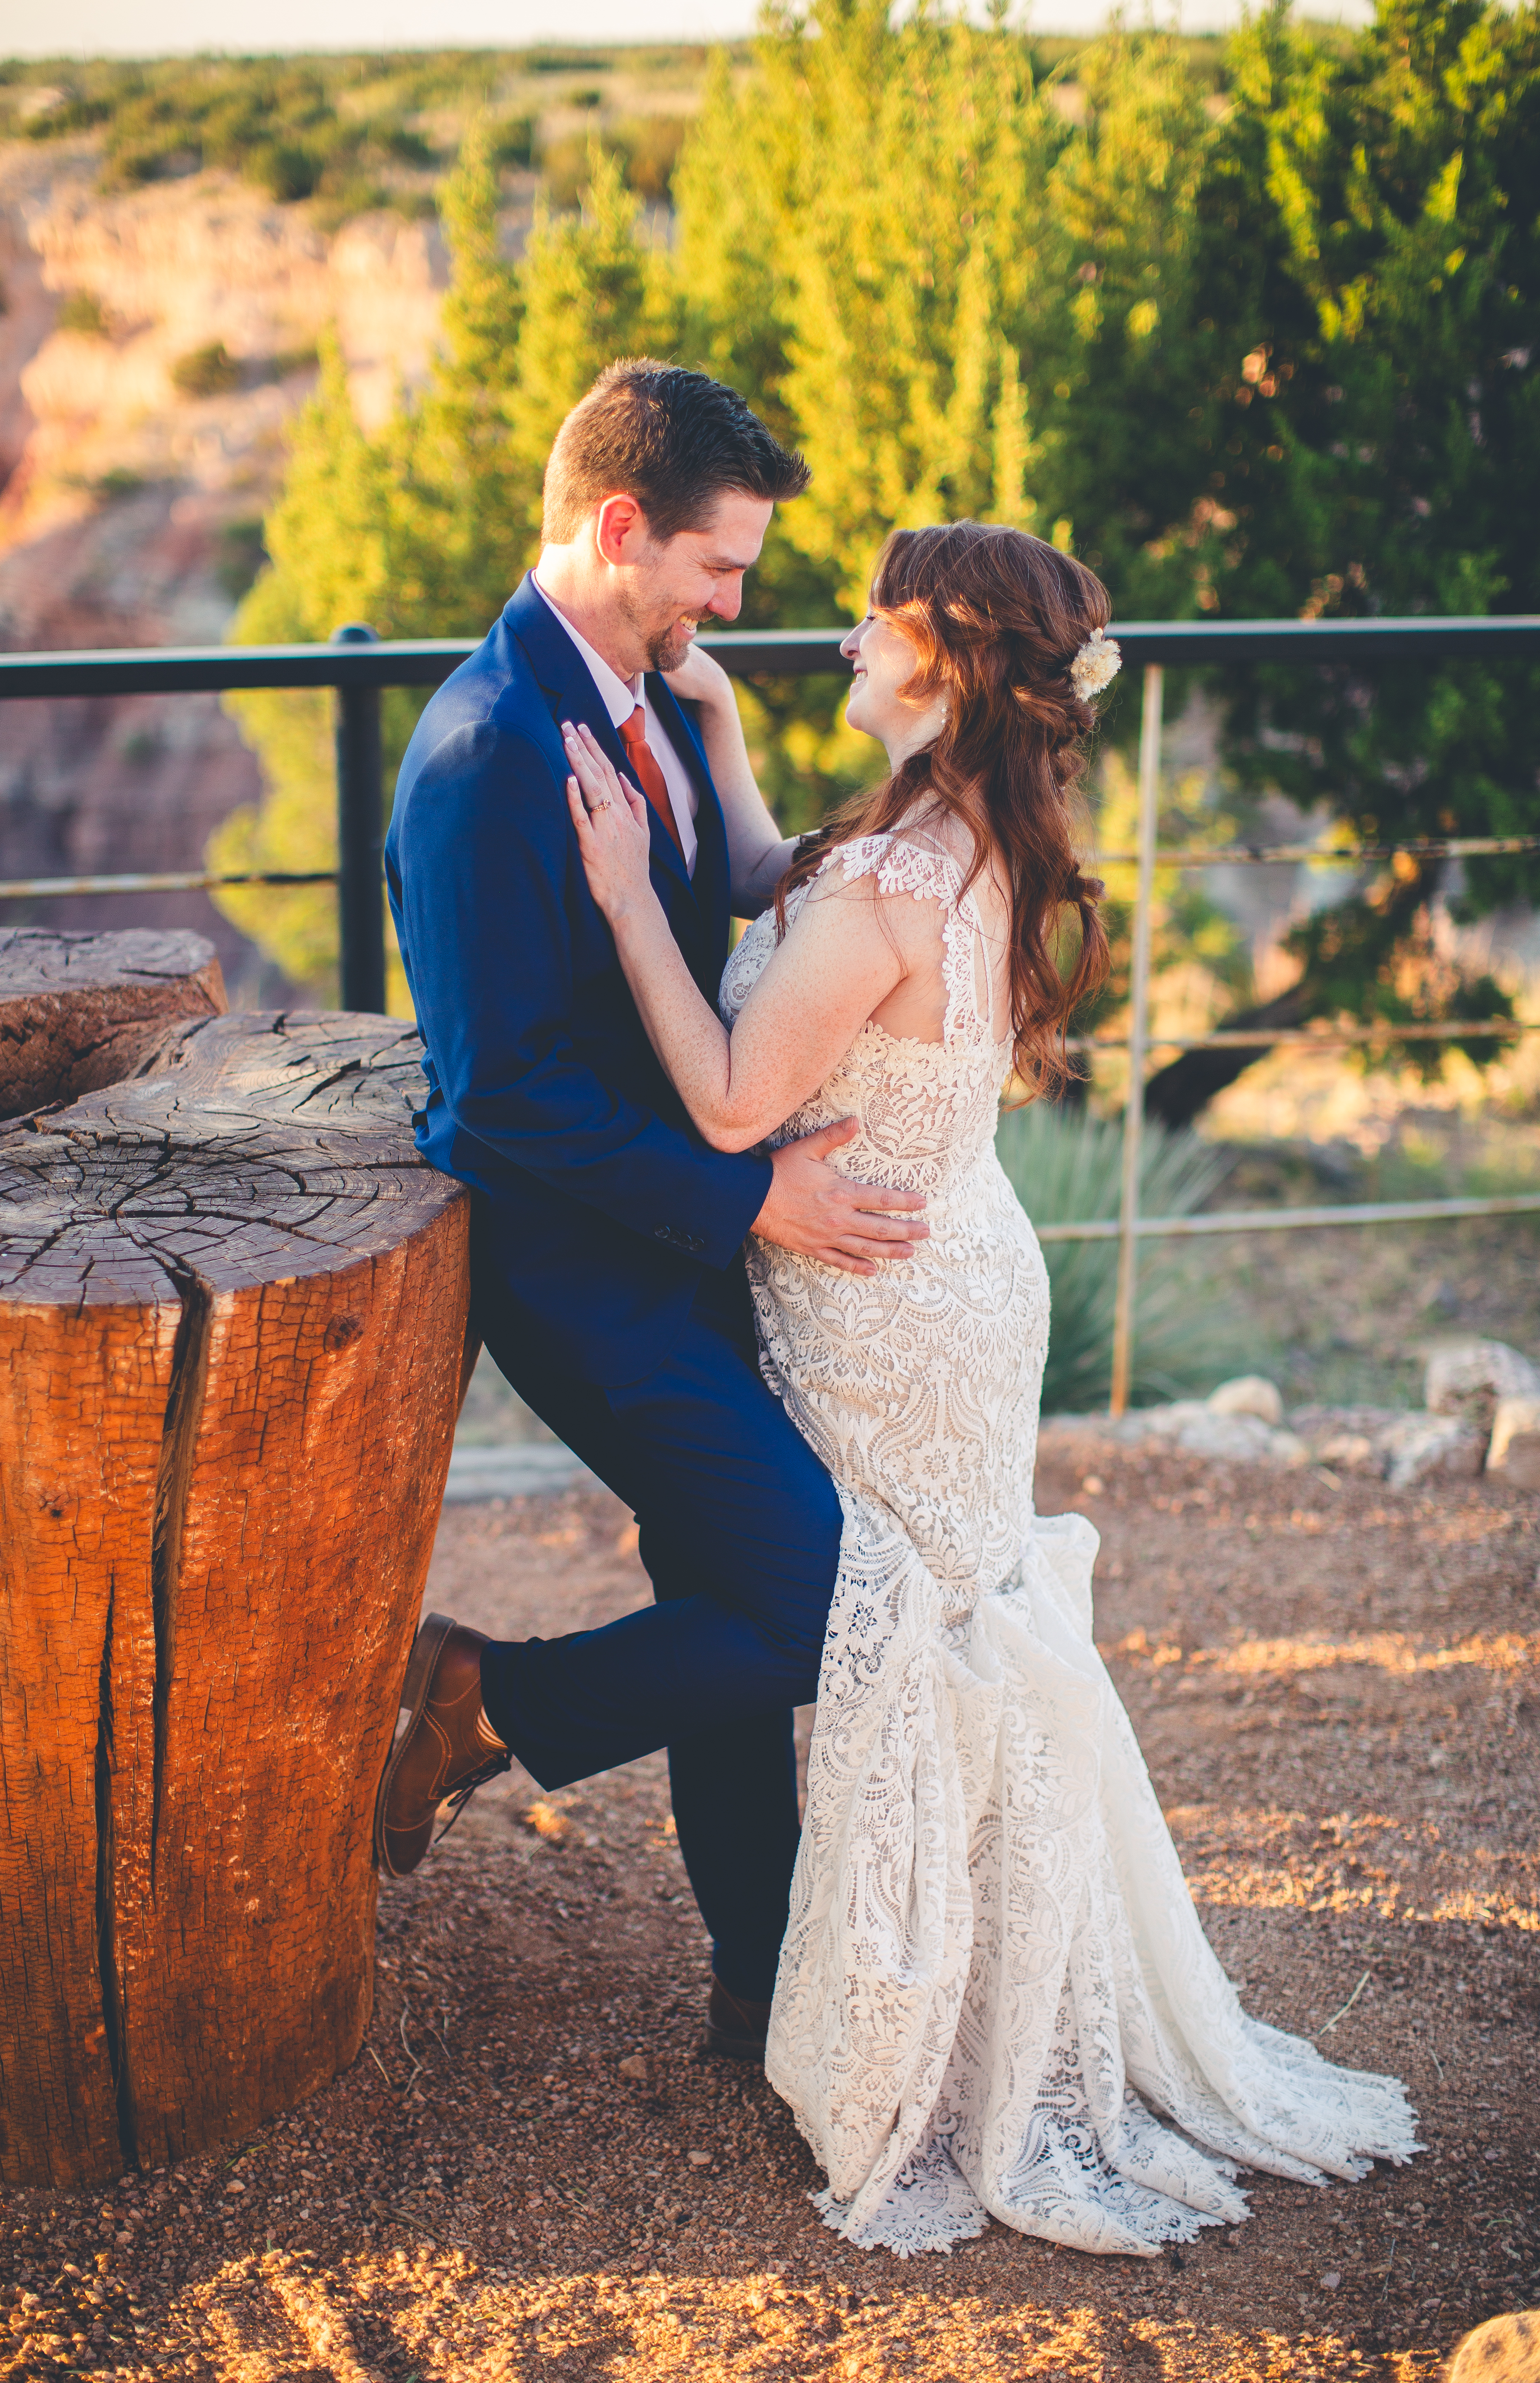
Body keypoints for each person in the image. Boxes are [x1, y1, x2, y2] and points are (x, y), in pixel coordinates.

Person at [557, 516, 1419, 2256]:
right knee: (911, 1621)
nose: (846, 631)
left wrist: (619, 902)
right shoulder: (947, 831)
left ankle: (907, 2012)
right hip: (943, 1272)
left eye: (876, 613)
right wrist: (713, 738)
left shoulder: (897, 878)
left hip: (883, 1309)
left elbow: (731, 1101)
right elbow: (775, 884)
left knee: (880, 1631)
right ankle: (882, 1977)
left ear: (940, 655)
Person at [377, 359, 929, 2062]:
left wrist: (720, 725)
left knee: (732, 1589)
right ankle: (485, 1701)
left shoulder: (650, 700)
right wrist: (750, 1196)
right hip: (579, 1274)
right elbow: (506, 1094)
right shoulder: (482, 755)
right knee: (812, 1592)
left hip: (681, 1251)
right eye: (720, 565)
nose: (737, 602)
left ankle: (758, 1994)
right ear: (622, 528)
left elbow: (716, 920)